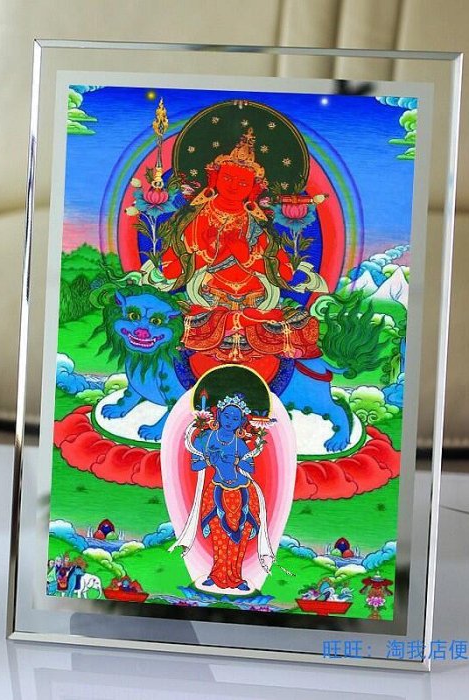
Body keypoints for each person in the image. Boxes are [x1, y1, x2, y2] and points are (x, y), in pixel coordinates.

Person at [159, 130, 320, 373]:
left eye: (243, 183)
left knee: (301, 326)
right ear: (214, 177)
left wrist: (248, 259)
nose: (234, 187)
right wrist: (206, 256)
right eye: (227, 178)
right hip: (208, 300)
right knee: (171, 323)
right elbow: (170, 270)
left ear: (254, 189)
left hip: (257, 301)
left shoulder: (258, 223)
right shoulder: (193, 219)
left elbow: (284, 273)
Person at [169, 393, 274, 591]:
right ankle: (217, 574)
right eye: (226, 416)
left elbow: (250, 467)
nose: (229, 421)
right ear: (218, 415)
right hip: (217, 488)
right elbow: (195, 464)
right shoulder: (205, 438)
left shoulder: (239, 443)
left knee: (240, 536)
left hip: (242, 490)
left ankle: (236, 578)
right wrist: (211, 460)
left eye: (235, 418)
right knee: (219, 534)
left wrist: (237, 460)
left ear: (241, 422)